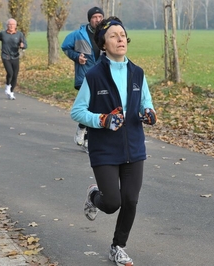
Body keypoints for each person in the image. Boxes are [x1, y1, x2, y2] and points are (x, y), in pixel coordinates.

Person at [71, 16, 156, 266]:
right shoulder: (95, 76)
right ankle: (94, 195)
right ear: (103, 45)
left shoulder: (138, 73)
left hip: (134, 147)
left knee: (130, 200)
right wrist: (102, 120)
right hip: (104, 149)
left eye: (122, 34)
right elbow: (77, 111)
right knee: (112, 203)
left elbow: (146, 103)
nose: (120, 39)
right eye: (113, 36)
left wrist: (149, 113)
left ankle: (118, 246)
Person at [62, 6, 104, 152]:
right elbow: (65, 46)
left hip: (101, 77)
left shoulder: (105, 34)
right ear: (90, 19)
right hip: (84, 75)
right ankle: (85, 136)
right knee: (90, 107)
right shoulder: (78, 34)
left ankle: (84, 134)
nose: (98, 20)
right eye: (94, 17)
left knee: (94, 108)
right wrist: (76, 57)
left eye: (100, 17)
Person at [0, 18, 27, 100]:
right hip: (5, 56)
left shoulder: (19, 34)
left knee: (15, 76)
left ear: (15, 26)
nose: (11, 26)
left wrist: (23, 46)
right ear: (7, 25)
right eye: (9, 24)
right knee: (10, 73)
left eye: (13, 25)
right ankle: (7, 86)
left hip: (15, 56)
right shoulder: (2, 34)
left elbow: (25, 45)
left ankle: (11, 92)